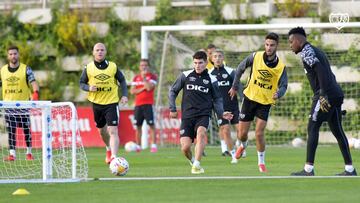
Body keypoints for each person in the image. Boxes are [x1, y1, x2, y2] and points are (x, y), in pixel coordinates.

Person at [288, 27, 357, 176]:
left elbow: (319, 69)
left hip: (325, 94)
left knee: (312, 127)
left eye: (291, 41)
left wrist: (323, 94)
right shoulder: (317, 50)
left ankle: (308, 170)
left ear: (299, 41)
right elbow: (328, 73)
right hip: (336, 93)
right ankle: (350, 169)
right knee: (338, 131)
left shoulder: (307, 51)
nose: (290, 45)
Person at [229, 32, 288, 173]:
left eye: (272, 45)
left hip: (265, 102)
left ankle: (261, 163)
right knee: (242, 134)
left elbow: (284, 85)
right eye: (267, 44)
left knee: (259, 133)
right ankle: (243, 145)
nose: (269, 48)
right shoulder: (255, 57)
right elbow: (240, 68)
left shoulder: (280, 67)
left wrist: (278, 94)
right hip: (249, 98)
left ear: (277, 46)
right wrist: (234, 86)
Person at [169, 50, 233, 174]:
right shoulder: (185, 75)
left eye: (200, 63)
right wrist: (172, 108)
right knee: (185, 148)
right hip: (187, 116)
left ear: (206, 63)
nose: (197, 65)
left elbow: (217, 99)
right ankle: (193, 160)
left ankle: (197, 164)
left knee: (201, 133)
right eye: (195, 63)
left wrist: (221, 112)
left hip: (203, 114)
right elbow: (173, 91)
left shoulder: (212, 79)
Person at [80, 42, 128, 164]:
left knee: (113, 130)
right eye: (97, 50)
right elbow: (81, 83)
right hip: (96, 104)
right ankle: (108, 149)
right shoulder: (89, 68)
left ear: (105, 52)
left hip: (111, 103)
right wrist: (88, 88)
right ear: (93, 52)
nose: (100, 52)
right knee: (102, 132)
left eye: (102, 50)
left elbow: (122, 80)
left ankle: (114, 157)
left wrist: (124, 95)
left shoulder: (113, 67)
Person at [0, 45, 39, 161]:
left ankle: (29, 153)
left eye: (15, 54)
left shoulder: (26, 69)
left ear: (19, 55)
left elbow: (34, 82)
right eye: (11, 54)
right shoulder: (2, 71)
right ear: (8, 56)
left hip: (23, 106)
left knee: (26, 130)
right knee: (11, 130)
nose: (13, 56)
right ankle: (12, 154)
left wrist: (35, 93)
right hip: (9, 106)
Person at [209, 49, 242, 162]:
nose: (217, 58)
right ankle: (233, 155)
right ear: (212, 59)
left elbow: (238, 86)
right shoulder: (209, 74)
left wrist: (242, 98)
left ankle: (240, 145)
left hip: (233, 105)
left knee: (240, 131)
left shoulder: (230, 71)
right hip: (220, 108)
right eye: (215, 56)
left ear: (223, 58)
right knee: (226, 130)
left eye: (219, 56)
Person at [130, 59, 158, 153]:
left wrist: (144, 79)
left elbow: (149, 88)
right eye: (142, 65)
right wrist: (143, 88)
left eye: (145, 65)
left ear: (148, 66)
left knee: (151, 125)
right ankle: (138, 146)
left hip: (148, 105)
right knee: (138, 126)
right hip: (138, 105)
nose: (144, 67)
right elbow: (133, 91)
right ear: (139, 67)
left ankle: (153, 145)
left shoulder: (152, 77)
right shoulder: (136, 78)